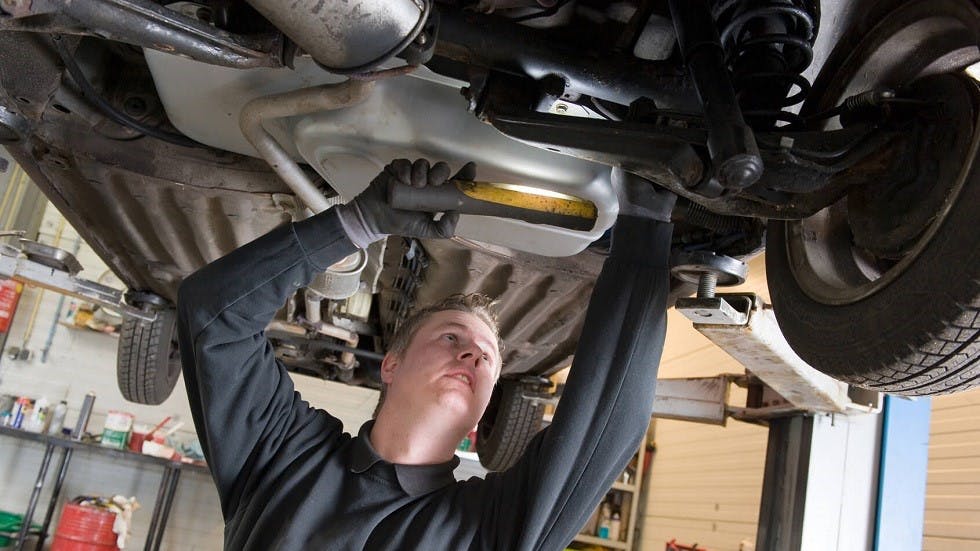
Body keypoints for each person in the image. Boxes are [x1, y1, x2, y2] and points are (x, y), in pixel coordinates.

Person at [177, 158, 675, 550]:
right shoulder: (283, 454)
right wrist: (356, 223)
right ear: (390, 364)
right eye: (453, 338)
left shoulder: (492, 522)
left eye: (488, 359)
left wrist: (646, 227)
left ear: (484, 411)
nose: (475, 358)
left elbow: (600, 428)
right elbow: (212, 315)